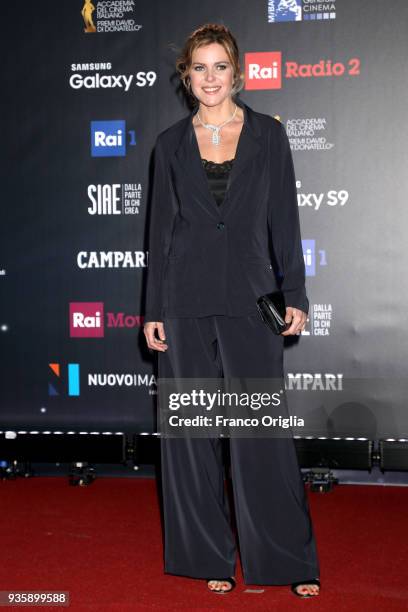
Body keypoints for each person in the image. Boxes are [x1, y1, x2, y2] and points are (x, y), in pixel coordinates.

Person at [143, 23, 320, 598]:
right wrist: (153, 311)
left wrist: (294, 291)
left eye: (220, 66)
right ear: (186, 76)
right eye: (199, 68)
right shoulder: (168, 144)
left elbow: (285, 222)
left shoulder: (269, 135)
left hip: (254, 300)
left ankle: (288, 562)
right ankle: (207, 558)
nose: (210, 78)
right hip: (185, 302)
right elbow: (161, 234)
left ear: (237, 73)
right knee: (192, 439)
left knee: (261, 434)